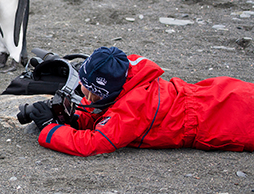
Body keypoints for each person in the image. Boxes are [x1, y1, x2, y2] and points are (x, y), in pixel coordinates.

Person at [28, 46, 254, 157]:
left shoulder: (133, 107)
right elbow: (102, 110)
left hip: (220, 118)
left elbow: (94, 143)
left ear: (105, 91)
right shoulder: (128, 77)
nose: (84, 95)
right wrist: (71, 118)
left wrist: (50, 129)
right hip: (217, 93)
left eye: (89, 92)